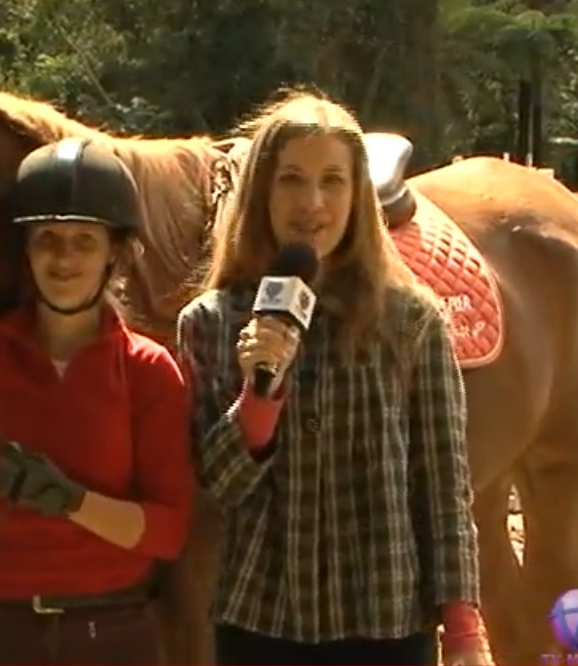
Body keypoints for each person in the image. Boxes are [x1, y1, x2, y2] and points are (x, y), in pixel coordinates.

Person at [175, 90, 490, 666]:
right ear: (262, 192)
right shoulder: (210, 323)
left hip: (387, 622)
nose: (311, 202)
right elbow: (217, 483)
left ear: (358, 196)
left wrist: (464, 628)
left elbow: (443, 484)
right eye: (291, 179)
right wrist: (259, 393)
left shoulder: (412, 321)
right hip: (260, 624)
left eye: (333, 181)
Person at [0, 137, 196, 665]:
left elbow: (167, 531)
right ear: (24, 249)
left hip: (111, 631)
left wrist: (71, 501)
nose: (63, 258)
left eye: (83, 241)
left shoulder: (148, 372)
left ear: (114, 252)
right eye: (46, 239)